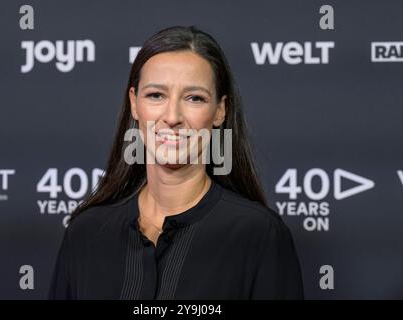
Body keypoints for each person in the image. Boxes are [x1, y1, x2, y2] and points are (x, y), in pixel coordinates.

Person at [48, 25, 304, 300]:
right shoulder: (87, 233)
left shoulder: (259, 235)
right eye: (156, 95)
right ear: (134, 103)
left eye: (194, 98)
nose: (172, 117)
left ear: (220, 110)